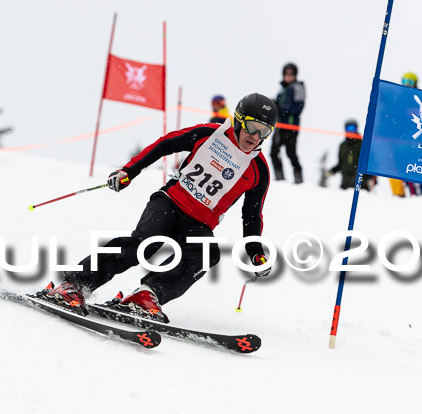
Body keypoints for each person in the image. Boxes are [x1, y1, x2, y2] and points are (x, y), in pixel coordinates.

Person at [39, 93, 278, 322]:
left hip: (199, 222)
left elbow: (252, 214)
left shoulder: (259, 169)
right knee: (143, 244)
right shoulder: (209, 134)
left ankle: (147, 295)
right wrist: (129, 170)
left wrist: (254, 251)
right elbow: (165, 144)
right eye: (252, 127)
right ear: (237, 120)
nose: (256, 137)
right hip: (171, 202)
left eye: (264, 131)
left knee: (206, 254)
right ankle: (74, 284)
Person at [270, 62, 305, 183]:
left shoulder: (298, 88)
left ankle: (298, 178)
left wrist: (281, 109)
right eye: (286, 73)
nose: (289, 75)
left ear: (295, 75)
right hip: (279, 127)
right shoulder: (282, 90)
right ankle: (279, 178)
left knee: (291, 154)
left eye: (291, 73)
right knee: (273, 152)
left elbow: (298, 108)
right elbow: (278, 108)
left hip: (291, 127)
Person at [400, 71, 422, 197]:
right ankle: (411, 193)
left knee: (416, 165)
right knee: (403, 166)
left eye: (410, 82)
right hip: (402, 138)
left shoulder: (419, 98)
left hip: (416, 138)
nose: (407, 85)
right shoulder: (399, 97)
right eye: (404, 82)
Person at [327, 119, 374, 190]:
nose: (351, 131)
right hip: (345, 183)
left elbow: (370, 163)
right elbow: (341, 164)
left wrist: (370, 178)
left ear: (356, 129)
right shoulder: (342, 146)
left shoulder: (363, 145)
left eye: (353, 128)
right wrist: (332, 171)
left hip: (360, 184)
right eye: (348, 128)